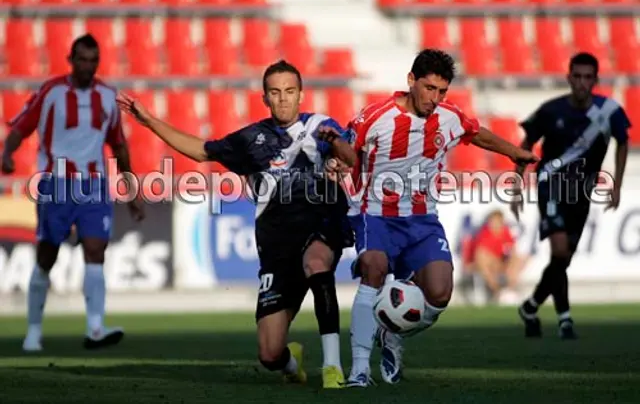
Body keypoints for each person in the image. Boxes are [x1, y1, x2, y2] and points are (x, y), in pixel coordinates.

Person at [117, 60, 357, 389]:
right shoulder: (250, 138)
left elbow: (351, 158)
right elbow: (202, 152)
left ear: (301, 94)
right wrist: (148, 121)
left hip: (321, 225)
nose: (283, 99)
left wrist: (339, 146)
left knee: (317, 261)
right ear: (265, 98)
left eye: (289, 91)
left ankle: (333, 367)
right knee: (269, 354)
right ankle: (290, 362)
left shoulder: (320, 126)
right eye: (275, 92)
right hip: (277, 246)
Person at [335, 48, 539, 387]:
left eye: (442, 91)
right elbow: (346, 146)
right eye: (429, 88)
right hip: (376, 216)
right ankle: (358, 370)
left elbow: (477, 133)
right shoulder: (375, 116)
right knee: (373, 269)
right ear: (411, 81)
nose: (435, 98)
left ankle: (392, 331)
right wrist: (336, 160)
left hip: (421, 220)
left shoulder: (449, 116)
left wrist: (515, 151)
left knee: (440, 293)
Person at [0, 34, 145, 352]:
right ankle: (33, 331)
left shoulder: (107, 96)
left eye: (93, 60)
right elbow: (21, 126)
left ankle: (95, 327)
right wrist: (7, 153)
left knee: (95, 250)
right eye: (82, 59)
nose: (87, 66)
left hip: (94, 186)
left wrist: (132, 190)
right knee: (46, 257)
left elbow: (118, 145)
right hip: (56, 184)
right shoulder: (52, 92)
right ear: (70, 59)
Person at [512, 52, 631, 340]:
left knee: (562, 261)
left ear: (595, 80)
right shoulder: (552, 111)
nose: (581, 83)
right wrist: (517, 185)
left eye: (587, 77)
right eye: (576, 76)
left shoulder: (609, 111)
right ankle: (565, 319)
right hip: (550, 185)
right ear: (568, 78)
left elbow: (623, 142)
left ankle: (530, 307)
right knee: (560, 251)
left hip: (582, 192)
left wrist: (616, 185)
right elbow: (526, 142)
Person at [461, 209, 527, 304]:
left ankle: (509, 290)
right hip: (486, 265)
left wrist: (511, 262)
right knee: (484, 261)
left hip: (500, 264)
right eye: (492, 221)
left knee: (517, 260)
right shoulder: (484, 234)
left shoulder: (505, 232)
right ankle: (498, 291)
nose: (494, 224)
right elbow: (480, 255)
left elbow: (512, 251)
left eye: (497, 221)